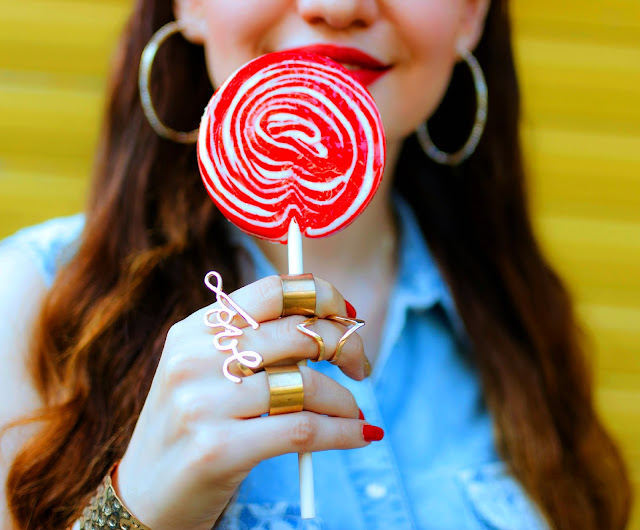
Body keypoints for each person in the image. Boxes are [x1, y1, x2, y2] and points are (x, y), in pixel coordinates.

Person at [0, 0, 632, 528]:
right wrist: (132, 511)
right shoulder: (29, 302)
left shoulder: (519, 321)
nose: (337, 6)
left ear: (470, 14)